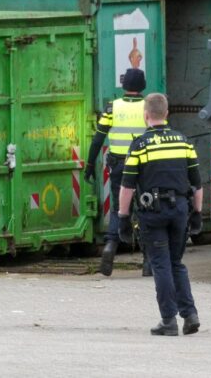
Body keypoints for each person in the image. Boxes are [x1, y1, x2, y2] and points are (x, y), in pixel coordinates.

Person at [117, 93, 203, 336]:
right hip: (180, 211)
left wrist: (123, 217)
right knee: (176, 263)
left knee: (161, 265)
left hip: (153, 213)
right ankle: (190, 314)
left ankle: (168, 320)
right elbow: (197, 184)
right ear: (167, 114)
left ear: (146, 115)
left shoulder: (139, 145)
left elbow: (127, 187)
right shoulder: (183, 142)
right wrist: (196, 213)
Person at [84, 68, 150, 276]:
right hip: (145, 166)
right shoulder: (149, 107)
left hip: (119, 165)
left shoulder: (113, 107)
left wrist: (89, 165)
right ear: (143, 86)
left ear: (124, 86)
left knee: (118, 207)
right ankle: (148, 261)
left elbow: (98, 138)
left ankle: (110, 246)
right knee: (147, 208)